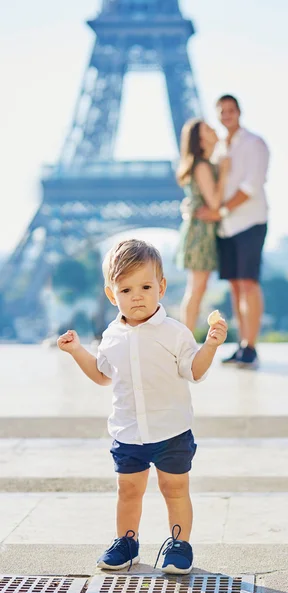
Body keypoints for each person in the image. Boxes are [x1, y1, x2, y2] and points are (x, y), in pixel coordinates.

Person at [57, 239, 228, 574]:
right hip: (128, 431)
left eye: (146, 286)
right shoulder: (110, 336)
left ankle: (179, 544)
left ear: (161, 287)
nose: (137, 296)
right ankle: (127, 543)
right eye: (126, 289)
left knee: (175, 488)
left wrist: (210, 345)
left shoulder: (175, 333)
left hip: (171, 430)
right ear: (112, 295)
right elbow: (102, 376)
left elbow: (194, 371)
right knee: (128, 491)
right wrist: (77, 351)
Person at [196, 95, 270, 369]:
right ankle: (242, 345)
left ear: (239, 112)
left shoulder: (254, 144)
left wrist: (221, 211)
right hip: (226, 227)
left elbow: (252, 186)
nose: (226, 115)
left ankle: (251, 346)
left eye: (230, 110)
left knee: (249, 283)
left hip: (248, 222)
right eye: (222, 112)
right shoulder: (219, 149)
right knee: (236, 287)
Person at [175, 118, 230, 332]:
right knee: (196, 289)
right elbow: (214, 202)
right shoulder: (202, 166)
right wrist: (224, 171)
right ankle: (185, 340)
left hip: (200, 231)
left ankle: (185, 338)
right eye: (207, 129)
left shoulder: (202, 164)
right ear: (200, 139)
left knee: (197, 288)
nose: (213, 129)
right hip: (201, 233)